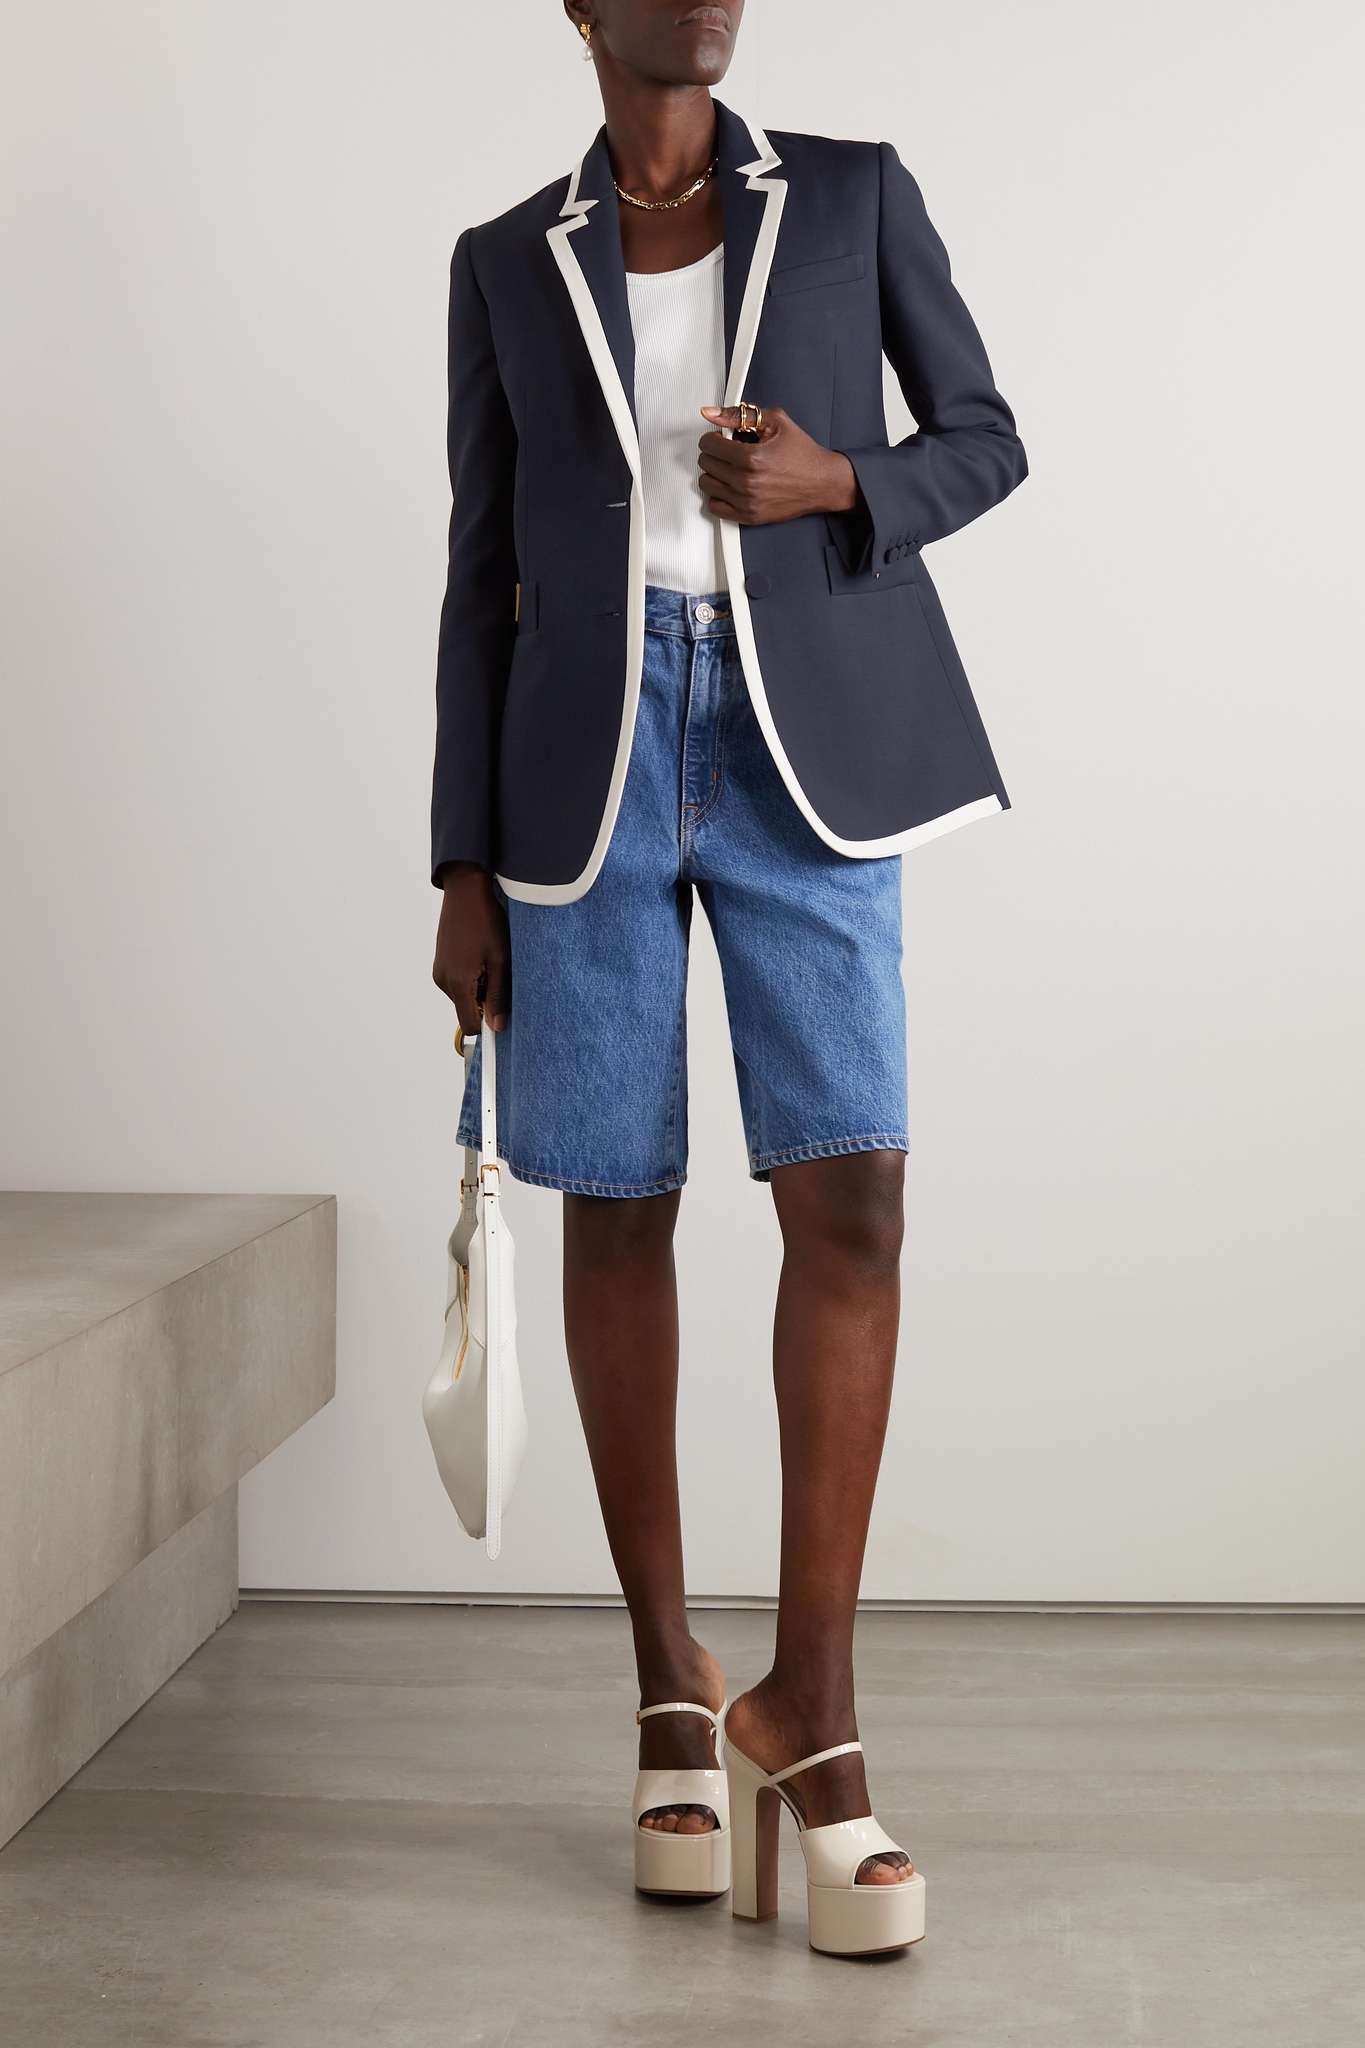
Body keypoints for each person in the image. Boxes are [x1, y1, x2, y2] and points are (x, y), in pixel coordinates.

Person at [431, 0, 1026, 1957]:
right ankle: (668, 1695)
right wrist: (459, 864)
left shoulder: (847, 199)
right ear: (578, 8)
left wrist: (837, 482)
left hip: (804, 758)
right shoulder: (506, 259)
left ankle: (814, 1714)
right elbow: (482, 566)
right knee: (616, 1203)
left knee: (851, 1197)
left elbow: (985, 439)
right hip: (578, 780)